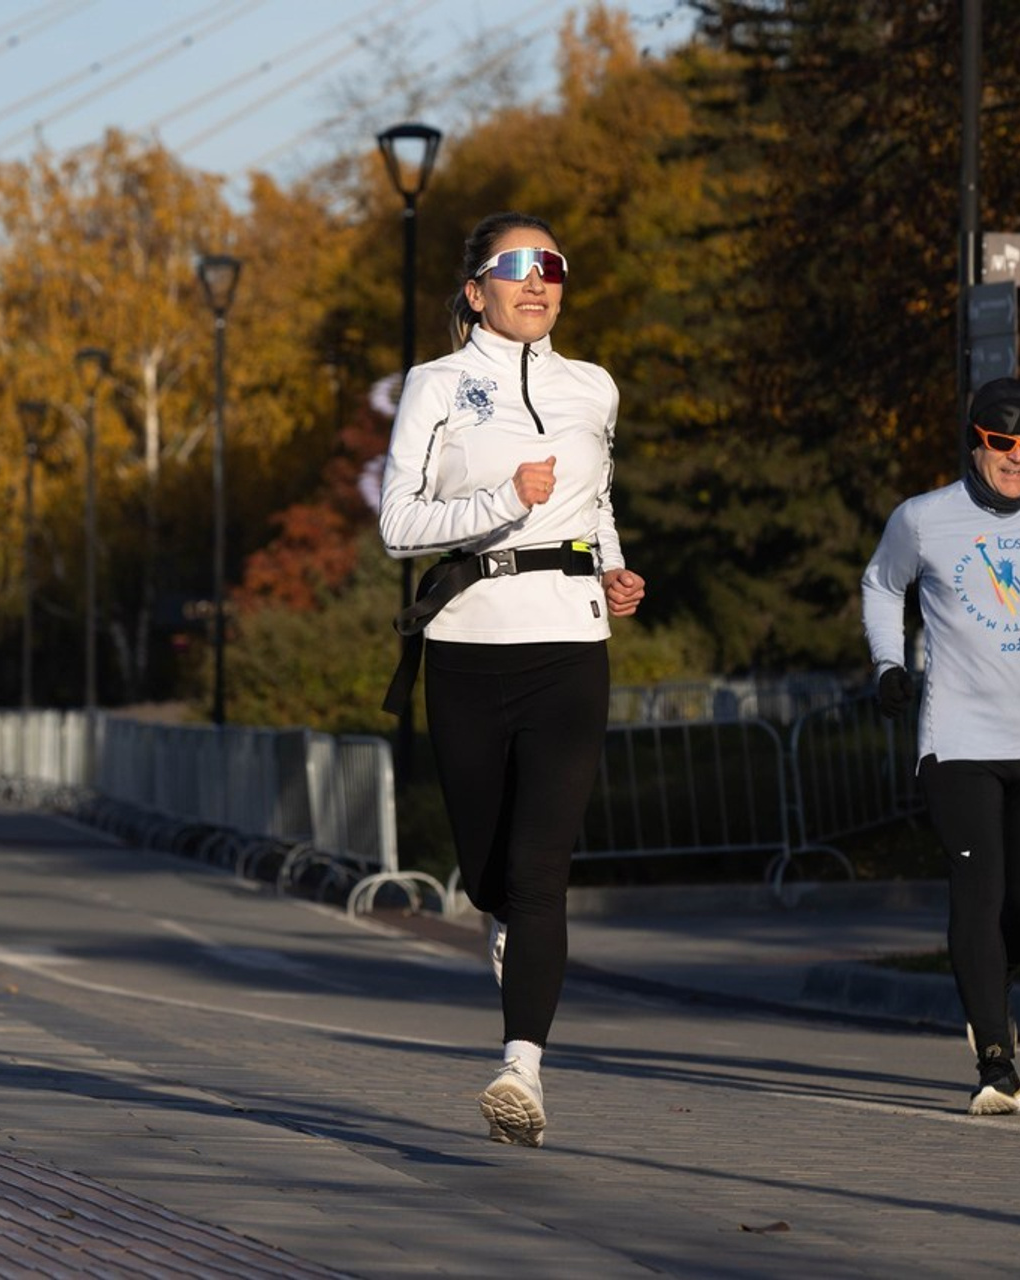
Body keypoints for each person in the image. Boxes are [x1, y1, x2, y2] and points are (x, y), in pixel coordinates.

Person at [379, 211, 645, 1147]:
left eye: (553, 267)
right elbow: (397, 523)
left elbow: (597, 499)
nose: (539, 282)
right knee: (490, 867)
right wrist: (503, 502)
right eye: (516, 266)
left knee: (542, 871)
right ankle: (501, 922)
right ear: (475, 288)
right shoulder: (437, 385)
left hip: (568, 645)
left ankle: (520, 1069)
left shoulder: (593, 387)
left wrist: (613, 567)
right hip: (465, 639)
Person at [861, 376, 1020, 1116]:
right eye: (1001, 443)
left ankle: (994, 990)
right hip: (958, 736)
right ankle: (995, 1061)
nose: (1016, 458)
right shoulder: (925, 519)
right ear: (975, 442)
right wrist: (889, 665)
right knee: (978, 891)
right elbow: (879, 585)